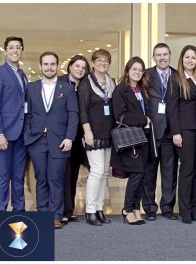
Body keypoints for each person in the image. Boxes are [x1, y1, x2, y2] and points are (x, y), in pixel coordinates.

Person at [23, 51, 79, 229]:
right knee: (41, 179)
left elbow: (73, 115)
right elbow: (27, 114)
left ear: (57, 66)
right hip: (37, 141)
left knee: (56, 178)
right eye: (45, 64)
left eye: (52, 64)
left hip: (60, 141)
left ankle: (56, 215)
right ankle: (43, 213)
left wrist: (70, 137)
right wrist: (28, 135)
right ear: (40, 67)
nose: (49, 67)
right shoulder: (31, 88)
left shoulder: (67, 88)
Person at [77, 49, 116, 226]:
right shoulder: (86, 83)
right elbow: (82, 110)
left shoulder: (111, 81)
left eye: (106, 60)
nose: (102, 63)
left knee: (104, 173)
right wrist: (87, 131)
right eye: (99, 60)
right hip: (93, 133)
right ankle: (90, 210)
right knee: (97, 171)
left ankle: (99, 209)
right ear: (92, 63)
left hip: (109, 132)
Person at [142, 43, 180, 221]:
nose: (162, 57)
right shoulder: (145, 75)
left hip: (171, 131)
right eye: (158, 55)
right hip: (151, 131)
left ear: (170, 55)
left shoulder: (178, 76)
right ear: (153, 57)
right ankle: (149, 208)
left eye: (165, 54)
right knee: (149, 171)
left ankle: (167, 207)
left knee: (170, 171)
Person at [166, 45, 196, 224]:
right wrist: (176, 133)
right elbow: (171, 109)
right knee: (187, 170)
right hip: (185, 130)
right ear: (181, 60)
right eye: (187, 57)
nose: (190, 60)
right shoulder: (175, 79)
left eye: (193, 58)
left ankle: (194, 209)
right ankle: (185, 211)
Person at [111, 56, 148, 225]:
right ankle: (127, 209)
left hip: (144, 138)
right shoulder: (120, 90)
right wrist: (143, 120)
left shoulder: (142, 89)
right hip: (131, 138)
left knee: (142, 174)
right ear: (128, 70)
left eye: (140, 70)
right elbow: (120, 116)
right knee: (136, 174)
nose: (137, 73)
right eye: (134, 69)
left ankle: (135, 208)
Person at [0, 36, 28, 212]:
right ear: (5, 50)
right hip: (5, 135)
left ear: (22, 50)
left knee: (18, 176)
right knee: (2, 176)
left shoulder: (22, 74)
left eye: (18, 47)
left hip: (21, 135)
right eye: (11, 47)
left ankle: (19, 211)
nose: (15, 50)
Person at [60, 55, 90, 224]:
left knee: (73, 174)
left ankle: (69, 210)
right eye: (77, 66)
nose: (80, 69)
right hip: (65, 136)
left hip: (80, 137)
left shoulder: (85, 86)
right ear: (70, 66)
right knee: (64, 174)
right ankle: (63, 209)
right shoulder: (61, 83)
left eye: (83, 67)